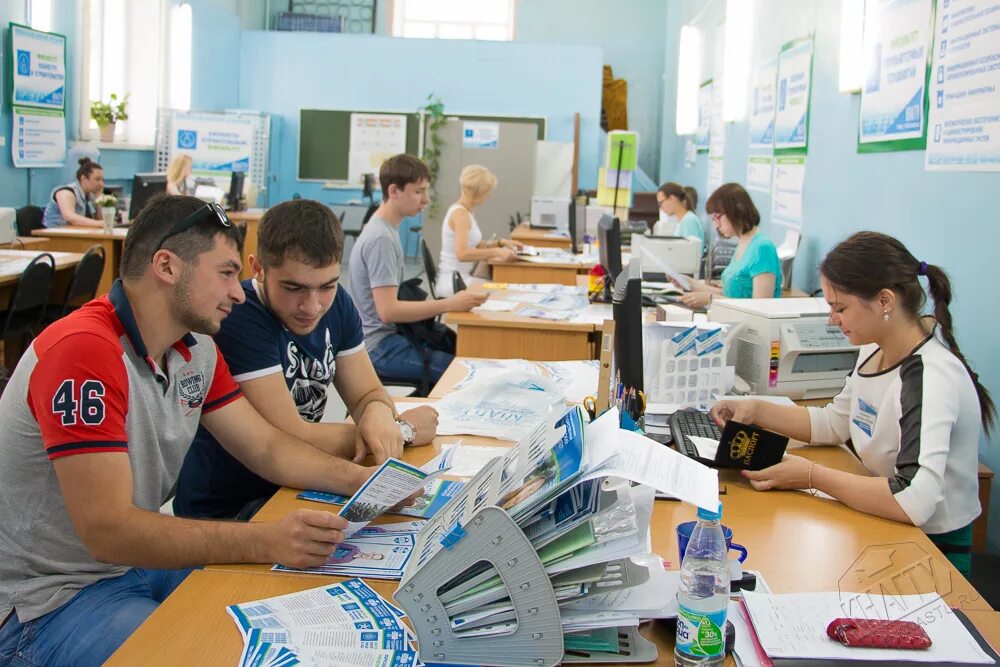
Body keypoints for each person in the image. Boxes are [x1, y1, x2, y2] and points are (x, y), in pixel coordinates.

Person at [0, 194, 380, 665]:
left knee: (291, 605)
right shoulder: (84, 352)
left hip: (127, 567)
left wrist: (367, 483)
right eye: (225, 273)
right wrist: (266, 539)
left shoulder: (195, 347)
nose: (238, 293)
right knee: (207, 652)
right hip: (47, 600)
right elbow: (108, 531)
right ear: (167, 266)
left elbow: (267, 448)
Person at [710, 232, 993, 577]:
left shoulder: (930, 376)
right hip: (885, 522)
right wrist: (755, 409)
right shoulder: (874, 349)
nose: (832, 319)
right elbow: (834, 423)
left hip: (931, 549)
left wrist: (811, 476)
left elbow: (913, 499)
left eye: (840, 308)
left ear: (885, 300)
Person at [173, 198, 440, 520]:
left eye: (327, 286)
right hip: (233, 507)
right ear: (258, 268)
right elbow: (290, 436)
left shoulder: (337, 304)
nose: (312, 306)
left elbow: (368, 393)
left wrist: (379, 414)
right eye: (293, 288)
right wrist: (403, 430)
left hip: (301, 484)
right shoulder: (238, 317)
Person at [347, 154, 488, 386]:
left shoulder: (386, 230)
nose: (426, 199)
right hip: (380, 347)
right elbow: (388, 311)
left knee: (458, 351)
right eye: (419, 191)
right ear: (394, 190)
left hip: (392, 337)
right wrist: (450, 303)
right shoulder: (381, 238)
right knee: (466, 375)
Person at [679, 183, 781, 308]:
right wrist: (691, 284)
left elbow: (760, 306)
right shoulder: (743, 243)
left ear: (737, 211)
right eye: (714, 219)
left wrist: (710, 299)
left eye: (718, 217)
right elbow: (732, 295)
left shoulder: (762, 248)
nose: (716, 225)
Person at [436, 164, 521, 297]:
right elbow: (462, 254)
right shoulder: (460, 214)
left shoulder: (465, 211)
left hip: (461, 278)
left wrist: (501, 243)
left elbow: (475, 245)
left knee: (504, 290)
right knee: (505, 293)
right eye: (488, 192)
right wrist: (497, 252)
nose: (489, 196)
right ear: (479, 193)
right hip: (454, 282)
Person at [41, 157, 105, 228]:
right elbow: (69, 216)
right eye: (97, 179)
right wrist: (98, 223)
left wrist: (99, 199)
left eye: (102, 180)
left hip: (78, 232)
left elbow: (101, 220)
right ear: (83, 178)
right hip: (55, 232)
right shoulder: (66, 192)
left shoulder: (91, 195)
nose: (101, 184)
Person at [655, 182, 704, 254]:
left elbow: (690, 254)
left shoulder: (689, 220)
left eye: (660, 203)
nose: (660, 208)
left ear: (672, 198)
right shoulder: (683, 220)